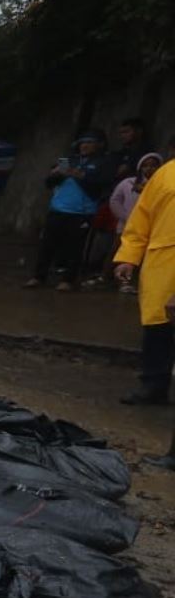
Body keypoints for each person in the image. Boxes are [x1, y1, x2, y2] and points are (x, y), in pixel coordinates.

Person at [113, 148, 175, 406]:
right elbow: (141, 220)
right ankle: (154, 384)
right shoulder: (165, 175)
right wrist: (129, 257)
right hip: (163, 262)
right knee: (158, 327)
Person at [28, 131, 111, 290]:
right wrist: (56, 174)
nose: (84, 145)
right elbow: (49, 183)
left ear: (98, 145)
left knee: (75, 248)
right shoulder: (67, 159)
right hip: (58, 208)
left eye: (89, 142)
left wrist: (79, 175)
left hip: (82, 212)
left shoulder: (103, 162)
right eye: (82, 142)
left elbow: (101, 184)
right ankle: (38, 277)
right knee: (47, 245)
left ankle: (67, 280)